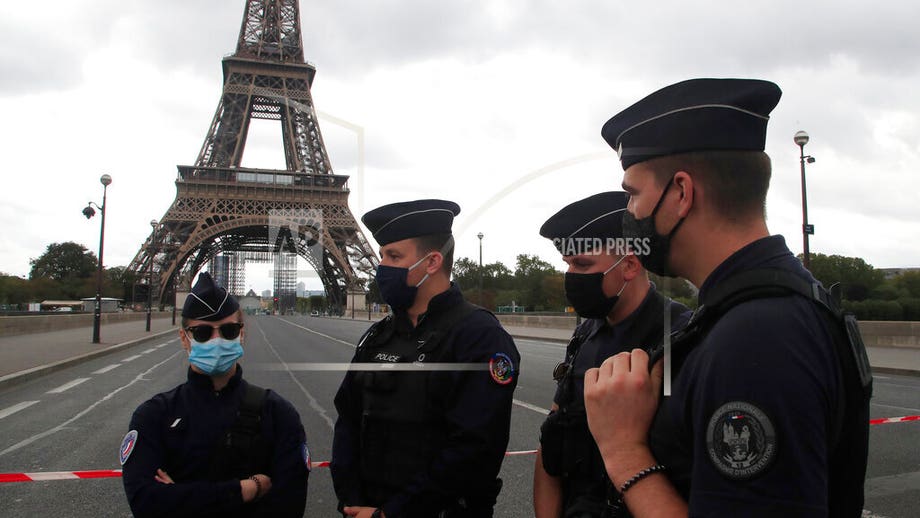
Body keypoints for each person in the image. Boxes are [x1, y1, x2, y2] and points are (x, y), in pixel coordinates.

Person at [582, 78, 872, 517]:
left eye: (633, 194)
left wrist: (623, 450)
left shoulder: (758, 337)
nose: (629, 215)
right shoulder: (757, 310)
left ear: (680, 193)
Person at [330, 199, 521, 518]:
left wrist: (392, 513)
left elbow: (473, 451)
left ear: (432, 262)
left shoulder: (479, 337)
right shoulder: (379, 336)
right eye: (381, 257)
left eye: (393, 256)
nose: (381, 268)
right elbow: (347, 418)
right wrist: (350, 500)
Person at [533, 191, 690, 518]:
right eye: (569, 265)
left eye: (582, 264)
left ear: (630, 264)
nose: (572, 276)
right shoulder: (585, 334)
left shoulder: (681, 338)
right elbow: (552, 443)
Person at [121, 272, 309, 517]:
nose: (217, 339)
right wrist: (247, 489)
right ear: (184, 339)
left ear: (242, 334)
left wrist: (180, 496)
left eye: (229, 330)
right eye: (202, 333)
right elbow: (146, 504)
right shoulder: (152, 416)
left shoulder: (280, 414)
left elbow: (289, 507)